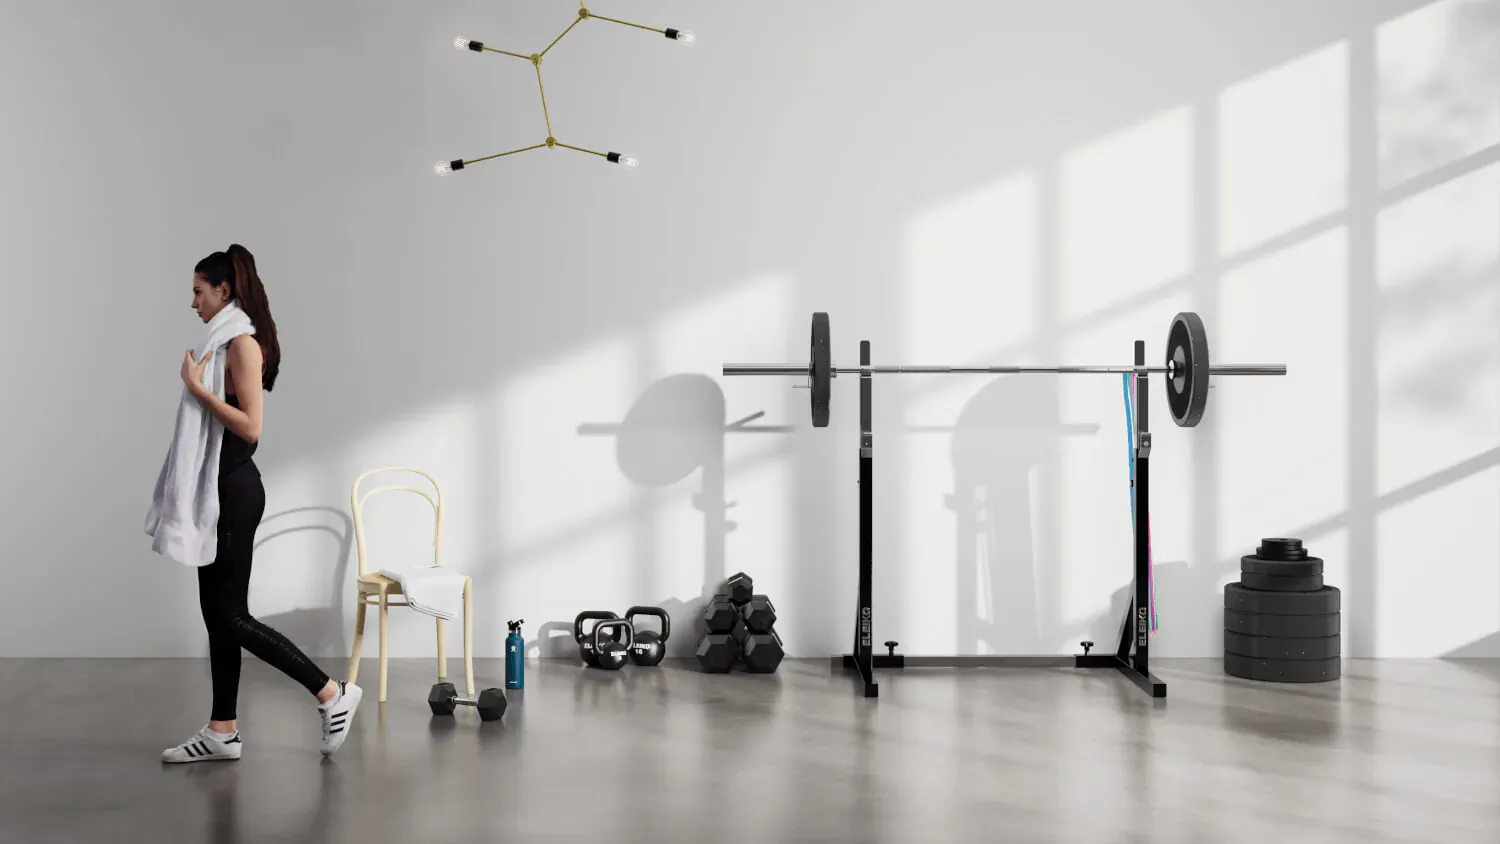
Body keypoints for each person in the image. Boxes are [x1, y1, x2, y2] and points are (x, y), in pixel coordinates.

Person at [160, 244, 362, 763]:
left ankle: (331, 692)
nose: (193, 303)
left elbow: (251, 427)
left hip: (234, 491)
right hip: (218, 489)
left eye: (198, 292)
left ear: (224, 291)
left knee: (231, 616)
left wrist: (196, 389)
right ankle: (222, 730)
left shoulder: (242, 344)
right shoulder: (219, 341)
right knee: (216, 615)